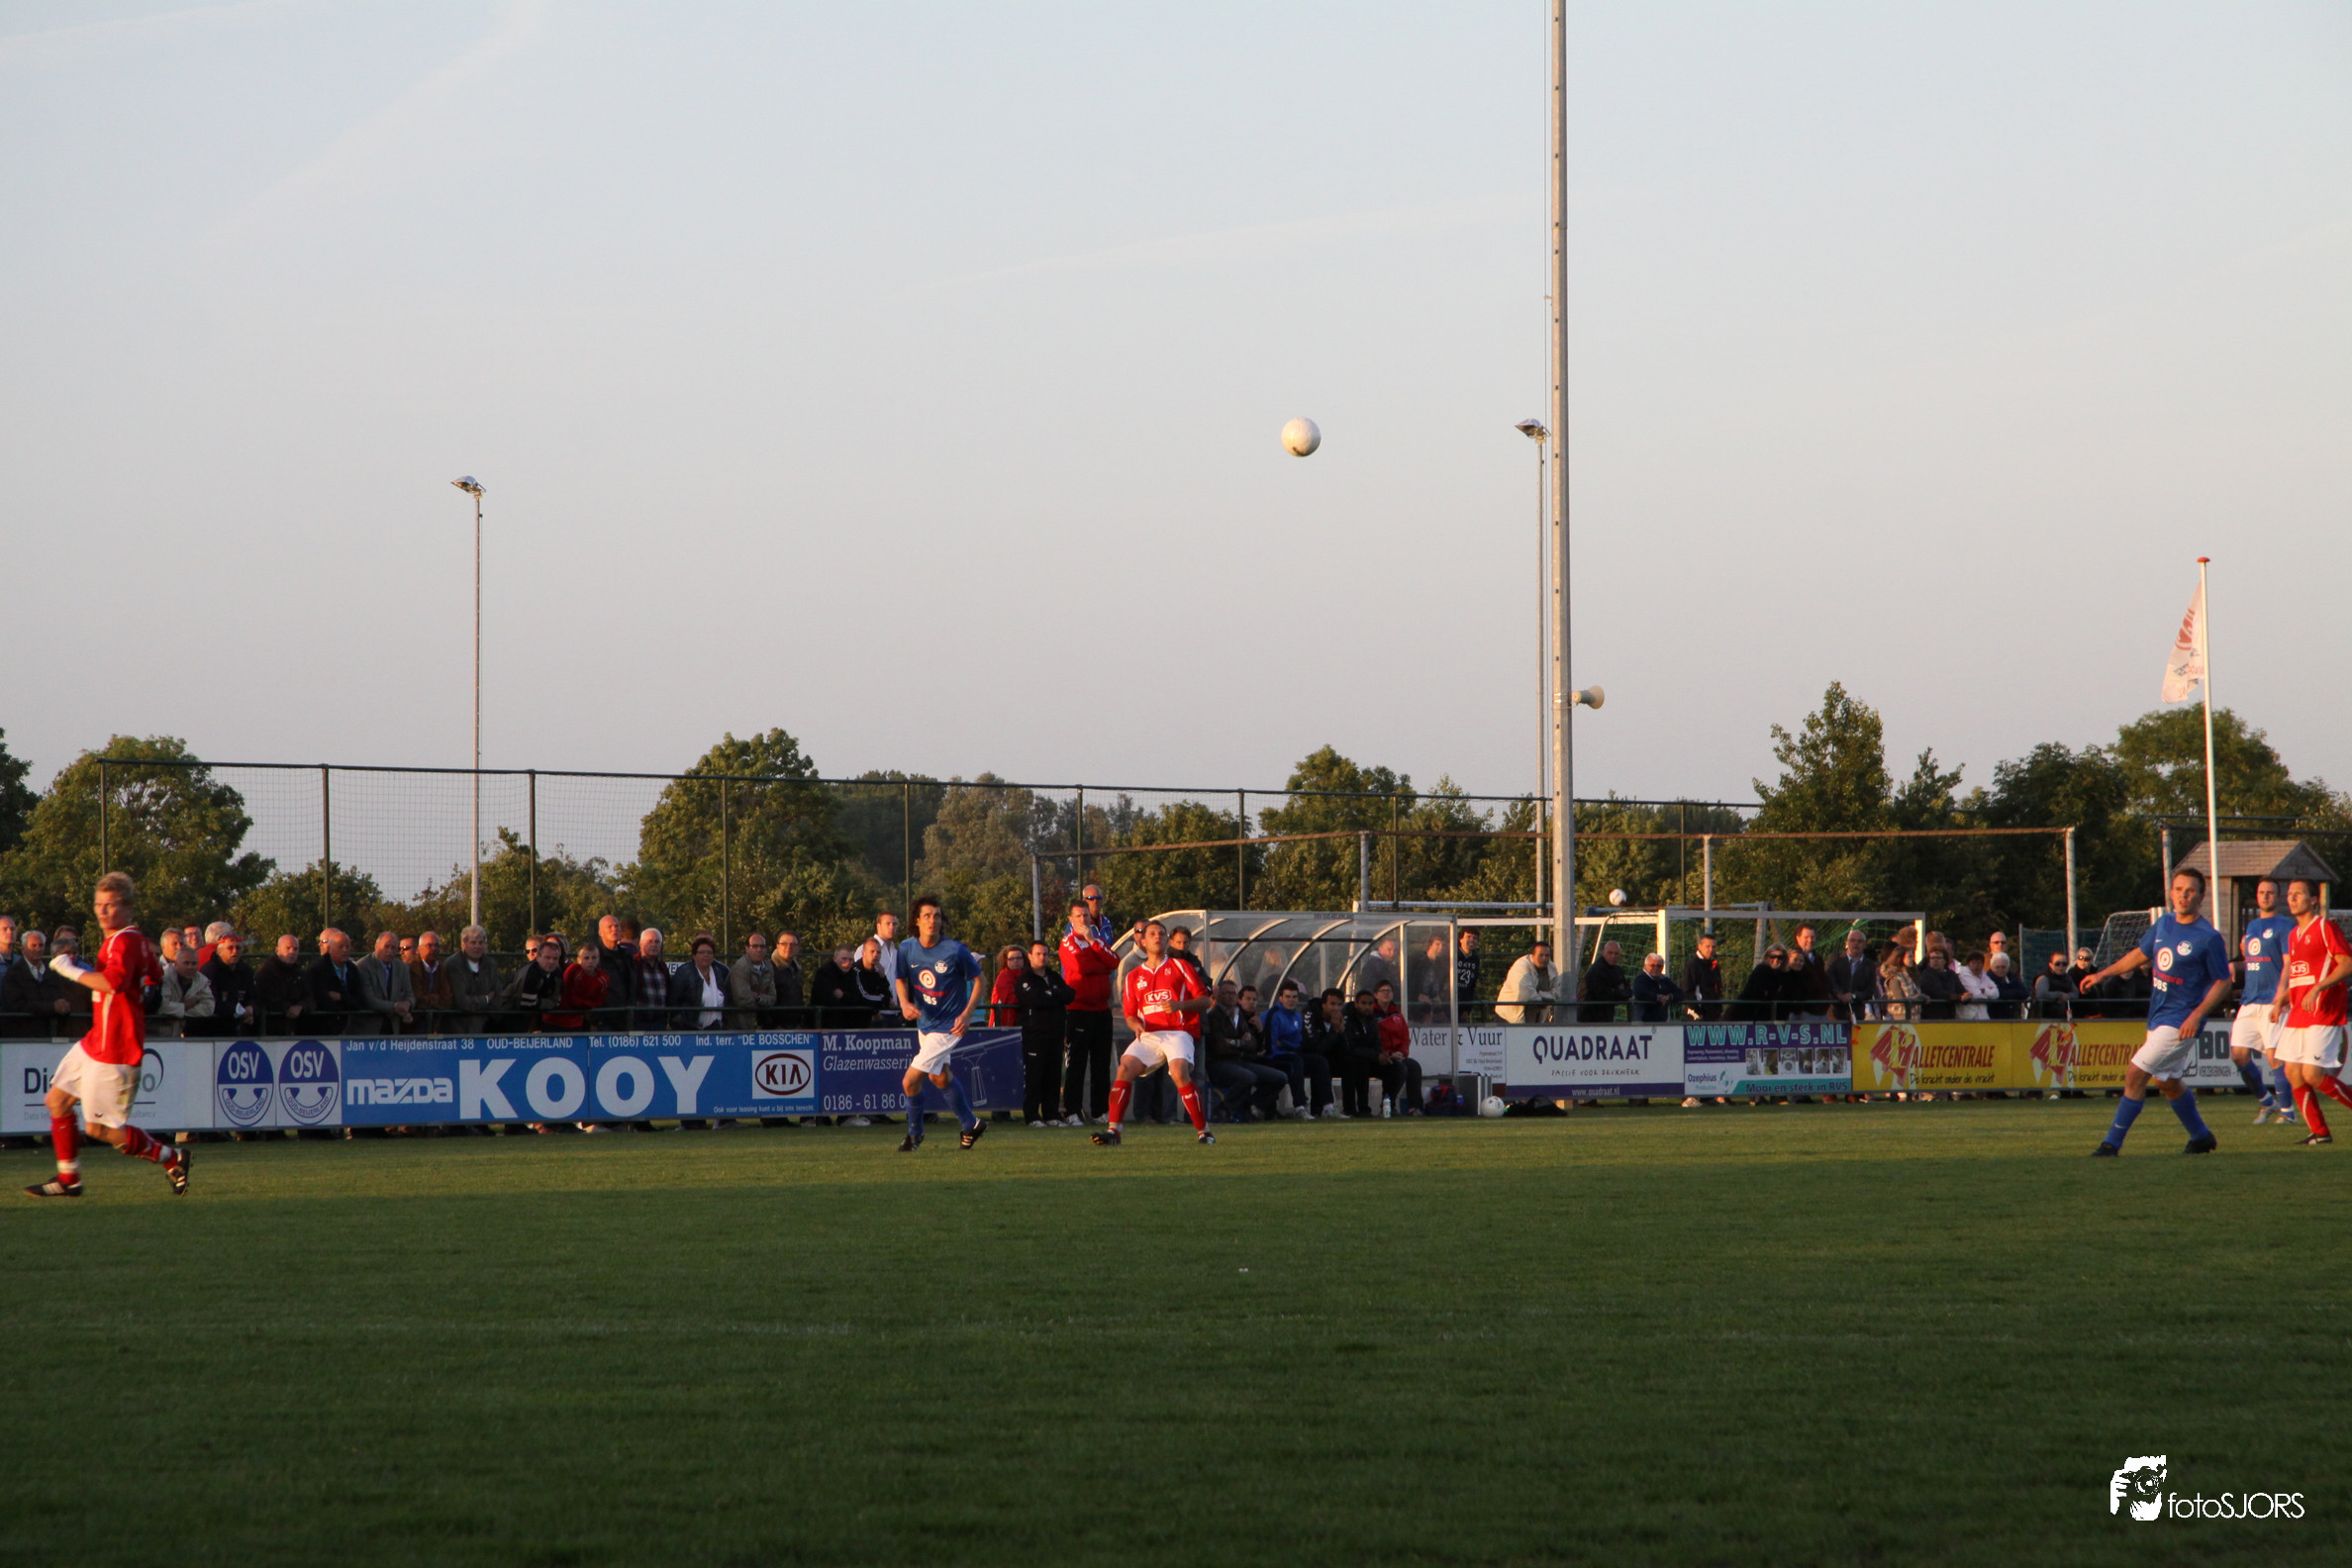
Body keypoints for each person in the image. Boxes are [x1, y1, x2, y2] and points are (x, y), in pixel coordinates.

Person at [25, 872, 188, 1198]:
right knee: (57, 1101)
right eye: (98, 904)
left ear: (127, 908)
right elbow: (155, 975)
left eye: (110, 905)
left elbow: (113, 983)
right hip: (96, 1040)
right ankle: (69, 1179)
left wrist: (69, 968)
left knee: (101, 1129)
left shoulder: (125, 941)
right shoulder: (132, 939)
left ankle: (172, 1157)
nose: (102, 911)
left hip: (116, 1048)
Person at [2075, 867, 2233, 1156]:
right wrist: (2102, 974)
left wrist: (2197, 1015)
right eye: (2179, 889)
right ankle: (2201, 1136)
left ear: (2201, 896)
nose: (2183, 895)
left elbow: (2224, 981)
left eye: (2191, 891)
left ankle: (2111, 1144)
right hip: (2158, 1016)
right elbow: (2140, 954)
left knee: (2135, 1073)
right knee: (2166, 1082)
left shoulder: (2207, 937)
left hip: (2181, 1020)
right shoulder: (2164, 923)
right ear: (2171, 893)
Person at [1092, 919, 1216, 1147]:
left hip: (1178, 1031)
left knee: (1178, 1072)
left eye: (1161, 933)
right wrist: (1135, 1026)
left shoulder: (1181, 966)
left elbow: (1206, 1000)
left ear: (1167, 940)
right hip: (1149, 1034)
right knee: (1125, 1067)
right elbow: (1130, 1015)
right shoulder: (1133, 976)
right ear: (1143, 941)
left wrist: (1180, 1005)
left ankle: (1204, 1132)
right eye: (1152, 934)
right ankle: (1114, 1131)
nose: (1157, 937)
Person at [893, 896, 988, 1152]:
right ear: (917, 921)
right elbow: (900, 978)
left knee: (910, 1081)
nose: (932, 920)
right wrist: (904, 1003)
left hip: (949, 1026)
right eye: (927, 916)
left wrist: (967, 1014)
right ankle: (971, 1124)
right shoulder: (906, 948)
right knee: (939, 1076)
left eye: (936, 916)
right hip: (925, 1023)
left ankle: (914, 1135)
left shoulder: (955, 950)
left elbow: (980, 981)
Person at [2273, 878, 2352, 1145]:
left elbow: (2347, 964)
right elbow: (2301, 978)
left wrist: (2318, 988)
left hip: (2323, 1011)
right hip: (2299, 1014)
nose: (2292, 898)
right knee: (2292, 1073)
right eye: (2290, 894)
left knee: (2312, 1075)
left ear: (2313, 900)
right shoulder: (2293, 935)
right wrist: (2282, 999)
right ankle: (2319, 1132)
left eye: (2299, 894)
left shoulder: (2325, 927)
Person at [2234, 878, 2297, 1123]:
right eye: (2261, 892)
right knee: (2239, 1055)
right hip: (2250, 999)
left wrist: (2281, 993)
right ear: (2257, 896)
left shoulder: (2284, 925)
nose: (2265, 896)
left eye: (2270, 892)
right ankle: (2267, 1102)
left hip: (2272, 999)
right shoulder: (2252, 926)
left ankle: (2288, 1113)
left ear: (2278, 897)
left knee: (2274, 1056)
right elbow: (2253, 958)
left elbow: (2288, 962)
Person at [1058, 900, 1120, 1128]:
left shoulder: (1098, 940)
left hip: (1102, 1010)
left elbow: (1114, 961)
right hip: (1079, 1010)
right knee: (1077, 1064)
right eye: (1078, 916)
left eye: (1086, 915)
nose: (1083, 919)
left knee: (1101, 1064)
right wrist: (1102, 964)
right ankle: (1072, 1111)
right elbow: (1082, 966)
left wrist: (1094, 943)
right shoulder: (1068, 942)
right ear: (1071, 919)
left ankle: (1100, 1111)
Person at [1011, 938, 1074, 1127]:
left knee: (1053, 1075)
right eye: (1038, 954)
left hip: (1056, 1033)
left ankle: (1051, 1115)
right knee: (1034, 1076)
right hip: (1035, 1035)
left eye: (1045, 954)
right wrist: (1054, 995)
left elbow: (1069, 994)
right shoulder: (1025, 979)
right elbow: (1035, 999)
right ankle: (1032, 1116)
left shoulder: (1054, 976)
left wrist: (1051, 994)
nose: (1042, 957)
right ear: (1030, 956)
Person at [1204, 978, 1285, 1122]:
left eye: (1233, 993)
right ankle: (1224, 1109)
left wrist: (1234, 1042)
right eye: (1226, 993)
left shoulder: (1238, 1015)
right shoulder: (1213, 1016)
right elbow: (1220, 1047)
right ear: (1219, 995)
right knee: (1248, 1077)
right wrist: (1242, 1043)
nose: (1230, 996)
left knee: (1280, 1077)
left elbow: (1252, 1045)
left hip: (1239, 1061)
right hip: (1219, 1063)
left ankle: (1251, 1106)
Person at [1261, 979, 1331, 1118]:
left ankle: (1328, 1107)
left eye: (1294, 997)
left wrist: (1285, 1043)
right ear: (1280, 998)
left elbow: (1298, 1042)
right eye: (1287, 996)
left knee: (1319, 1061)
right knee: (1295, 1062)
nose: (1291, 1000)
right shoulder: (1273, 1015)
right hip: (1273, 1057)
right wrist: (1287, 1045)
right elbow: (1271, 1045)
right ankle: (1300, 1107)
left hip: (1291, 1053)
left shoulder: (1297, 1017)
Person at [4, 930, 72, 1037]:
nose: (38, 949)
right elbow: (15, 1005)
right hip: (22, 1035)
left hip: (50, 1034)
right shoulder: (13, 973)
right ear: (23, 948)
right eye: (33, 945)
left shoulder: (52, 972)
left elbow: (60, 998)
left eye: (41, 945)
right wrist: (51, 1007)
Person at [1329, 990, 1387, 1119]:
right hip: (1344, 1059)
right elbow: (1349, 1047)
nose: (1367, 1007)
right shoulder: (1347, 1018)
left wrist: (1383, 1055)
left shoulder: (1372, 1020)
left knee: (1398, 1067)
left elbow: (1376, 1043)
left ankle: (1389, 1106)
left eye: (1370, 1003)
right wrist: (1375, 1055)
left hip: (1368, 1058)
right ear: (1356, 1004)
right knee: (1357, 1063)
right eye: (1363, 1003)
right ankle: (1353, 1109)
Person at [1371, 981, 1426, 1115]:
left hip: (1396, 1055)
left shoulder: (1396, 1014)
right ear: (1376, 994)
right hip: (1379, 1056)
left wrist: (1401, 1052)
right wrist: (1387, 1054)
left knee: (1414, 1066)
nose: (1386, 993)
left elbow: (1405, 1038)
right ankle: (1387, 1105)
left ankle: (1414, 1108)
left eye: (1389, 990)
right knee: (1398, 1068)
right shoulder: (1371, 1013)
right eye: (1383, 990)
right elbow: (1372, 1040)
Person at [1303, 988, 1354, 1117]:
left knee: (1351, 1063)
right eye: (1332, 1004)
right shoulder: (1310, 1015)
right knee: (1320, 1062)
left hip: (1329, 1058)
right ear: (1323, 1004)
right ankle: (1321, 1108)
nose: (1336, 1008)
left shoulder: (1342, 1017)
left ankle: (1350, 1109)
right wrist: (1334, 1031)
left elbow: (1346, 1049)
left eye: (1339, 1005)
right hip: (1307, 1057)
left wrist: (1341, 1033)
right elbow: (1315, 1048)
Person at [354, 931, 416, 1035]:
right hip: (370, 1028)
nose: (390, 951)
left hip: (394, 1028)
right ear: (376, 946)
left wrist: (408, 1003)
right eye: (386, 947)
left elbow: (410, 995)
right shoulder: (363, 966)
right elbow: (369, 1000)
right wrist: (395, 1006)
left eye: (393, 948)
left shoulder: (402, 968)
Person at [503, 932, 568, 1029]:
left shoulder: (558, 973)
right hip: (507, 1016)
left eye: (555, 958)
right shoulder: (530, 973)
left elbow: (556, 1001)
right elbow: (525, 1004)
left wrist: (538, 1001)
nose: (551, 962)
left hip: (533, 1018)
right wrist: (544, 1002)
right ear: (538, 957)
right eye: (547, 957)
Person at [670, 933, 735, 1029]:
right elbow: (674, 1002)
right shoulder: (684, 973)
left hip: (718, 1030)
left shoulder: (721, 972)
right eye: (701, 952)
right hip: (691, 1030)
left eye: (709, 953)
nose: (706, 955)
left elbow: (729, 998)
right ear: (694, 955)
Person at [447, 926, 503, 1034]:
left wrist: (477, 1004)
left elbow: (498, 997)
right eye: (473, 943)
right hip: (459, 1029)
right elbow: (461, 1001)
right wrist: (486, 999)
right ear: (464, 944)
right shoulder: (453, 965)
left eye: (481, 943)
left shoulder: (491, 965)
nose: (477, 946)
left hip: (486, 1027)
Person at [201, 931, 257, 1036]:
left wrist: (250, 1007)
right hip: (214, 1027)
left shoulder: (246, 970)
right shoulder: (210, 970)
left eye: (238, 948)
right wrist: (236, 1010)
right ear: (220, 951)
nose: (235, 951)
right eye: (230, 948)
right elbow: (210, 1001)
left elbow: (254, 994)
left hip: (240, 1025)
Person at [154, 945, 216, 1038]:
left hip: (179, 1034)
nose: (190, 967)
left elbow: (209, 1007)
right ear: (176, 964)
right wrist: (185, 1005)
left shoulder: (202, 980)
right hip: (157, 1035)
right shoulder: (165, 976)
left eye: (194, 963)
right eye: (186, 963)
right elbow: (161, 1006)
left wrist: (177, 1015)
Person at [306, 929, 359, 1033]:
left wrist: (341, 997)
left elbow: (359, 1000)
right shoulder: (317, 969)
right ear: (330, 948)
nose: (345, 950)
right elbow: (324, 1001)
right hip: (322, 1028)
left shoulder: (352, 969)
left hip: (347, 1027)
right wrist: (348, 1001)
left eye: (347, 946)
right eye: (341, 947)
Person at [254, 933, 310, 1034]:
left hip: (294, 1028)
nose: (292, 952)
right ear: (277, 950)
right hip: (272, 1029)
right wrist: (286, 1008)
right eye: (288, 948)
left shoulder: (299, 972)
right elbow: (267, 998)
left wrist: (301, 1007)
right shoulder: (267, 972)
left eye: (295, 949)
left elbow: (309, 996)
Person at [548, 940, 608, 1032]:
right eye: (586, 958)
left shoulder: (603, 979)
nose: (590, 961)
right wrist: (585, 1005)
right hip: (559, 1017)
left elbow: (598, 1002)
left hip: (579, 1020)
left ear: (598, 959)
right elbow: (567, 993)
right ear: (579, 960)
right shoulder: (573, 971)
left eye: (594, 958)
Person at [1496, 939, 1557, 1024]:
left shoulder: (1552, 968)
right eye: (1541, 955)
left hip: (1534, 1018)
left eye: (1547, 955)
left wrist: (1540, 997)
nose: (1544, 958)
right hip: (1509, 1017)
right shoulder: (1521, 966)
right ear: (1533, 955)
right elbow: (1525, 995)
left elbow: (1556, 992)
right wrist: (1544, 999)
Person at [407, 930, 453, 1030]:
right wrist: (437, 999)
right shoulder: (411, 968)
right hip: (414, 1022)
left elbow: (448, 1000)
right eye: (429, 946)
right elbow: (417, 998)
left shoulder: (442, 968)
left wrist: (428, 1000)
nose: (434, 949)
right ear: (419, 949)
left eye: (437, 945)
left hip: (438, 1020)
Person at [1784, 926, 1835, 1019]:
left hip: (1821, 1011)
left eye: (1812, 937)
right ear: (1798, 938)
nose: (1810, 940)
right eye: (1806, 937)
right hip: (1803, 1012)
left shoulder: (1818, 958)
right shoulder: (1792, 958)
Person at [1827, 931, 1878, 1022]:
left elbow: (1869, 990)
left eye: (1859, 941)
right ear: (1846, 943)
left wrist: (1853, 996)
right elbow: (1829, 981)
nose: (1856, 943)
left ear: (1864, 945)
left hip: (1857, 1013)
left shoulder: (1870, 965)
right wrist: (1840, 994)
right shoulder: (1835, 960)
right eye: (1852, 940)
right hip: (1834, 1012)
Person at [733, 931, 779, 1026]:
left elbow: (772, 998)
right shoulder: (740, 967)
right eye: (755, 946)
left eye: (762, 946)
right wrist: (763, 999)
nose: (759, 950)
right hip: (741, 1024)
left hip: (762, 1023)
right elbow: (743, 1000)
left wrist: (758, 997)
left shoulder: (768, 967)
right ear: (747, 948)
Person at [631, 929, 672, 1031]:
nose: (654, 945)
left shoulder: (663, 967)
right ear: (641, 944)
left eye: (657, 942)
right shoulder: (633, 963)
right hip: (638, 1023)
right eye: (650, 941)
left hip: (659, 1023)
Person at [811, 945, 863, 1026]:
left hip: (847, 1022)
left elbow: (858, 999)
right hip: (825, 1022)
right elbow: (827, 1000)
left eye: (850, 960)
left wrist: (843, 996)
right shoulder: (824, 973)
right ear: (835, 958)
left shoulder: (853, 974)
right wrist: (848, 999)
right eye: (844, 959)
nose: (848, 962)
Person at [1680, 933, 1725, 1022]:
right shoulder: (1693, 965)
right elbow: (1687, 990)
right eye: (1707, 946)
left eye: (1713, 947)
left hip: (1713, 1012)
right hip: (1698, 1015)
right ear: (1699, 946)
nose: (1711, 950)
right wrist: (1696, 1010)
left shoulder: (1713, 964)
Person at [1736, 945, 1788, 1022]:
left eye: (1780, 957)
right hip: (1749, 1011)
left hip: (1765, 1013)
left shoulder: (1782, 973)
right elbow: (1759, 993)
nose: (1776, 960)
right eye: (1772, 956)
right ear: (1767, 957)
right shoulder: (1761, 970)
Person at [1629, 952, 1684, 1023]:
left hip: (1661, 1022)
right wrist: (1657, 998)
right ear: (1645, 966)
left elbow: (1680, 993)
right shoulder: (1640, 979)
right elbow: (1639, 993)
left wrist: (1669, 997)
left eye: (1659, 966)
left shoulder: (1664, 980)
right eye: (1652, 965)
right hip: (1643, 1022)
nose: (1656, 968)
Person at [1412, 932, 1452, 1024]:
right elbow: (1409, 982)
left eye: (1443, 945)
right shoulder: (1418, 961)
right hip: (1417, 1007)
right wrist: (1417, 996)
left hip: (1435, 1005)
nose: (1441, 948)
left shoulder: (1441, 964)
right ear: (1430, 945)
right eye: (1437, 944)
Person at [1879, 940, 1922, 1024]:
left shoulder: (1911, 976)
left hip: (1914, 1016)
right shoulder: (1894, 978)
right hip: (1900, 1017)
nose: (1912, 959)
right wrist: (1918, 998)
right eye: (1909, 957)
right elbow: (1900, 1000)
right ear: (1900, 958)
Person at [2030, 950, 2077, 1021]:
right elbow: (2041, 994)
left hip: (2062, 1018)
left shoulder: (2068, 978)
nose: (2061, 966)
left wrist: (2067, 996)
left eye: (2064, 964)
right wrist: (2059, 995)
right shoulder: (2044, 977)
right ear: (2051, 965)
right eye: (2057, 964)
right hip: (2043, 1018)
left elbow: (2075, 993)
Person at [1953, 951, 1998, 1022]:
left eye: (1978, 963)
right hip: (1968, 1017)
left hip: (1983, 1015)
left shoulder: (1984, 975)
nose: (1976, 966)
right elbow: (1976, 994)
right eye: (1973, 963)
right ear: (1968, 964)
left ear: (1982, 964)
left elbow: (1996, 993)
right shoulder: (1964, 974)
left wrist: (1984, 991)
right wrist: (1988, 995)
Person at [773, 931, 806, 1027]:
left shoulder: (797, 969)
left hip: (795, 1025)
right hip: (775, 1028)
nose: (788, 947)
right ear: (777, 946)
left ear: (798, 948)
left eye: (793, 944)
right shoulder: (769, 970)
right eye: (784, 944)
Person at [1986, 952, 2028, 1021]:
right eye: (1997, 967)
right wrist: (2014, 993)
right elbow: (1997, 994)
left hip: (2011, 1018)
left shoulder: (2012, 977)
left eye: (2003, 967)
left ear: (2008, 967)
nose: (2000, 970)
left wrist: (2010, 993)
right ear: (1992, 967)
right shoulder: (1987, 979)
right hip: (1993, 1018)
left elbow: (2024, 993)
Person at [1358, 936, 1401, 1002]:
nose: (1392, 953)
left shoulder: (1392, 965)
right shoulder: (1373, 966)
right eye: (1389, 949)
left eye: (1395, 950)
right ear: (1380, 949)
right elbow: (1368, 988)